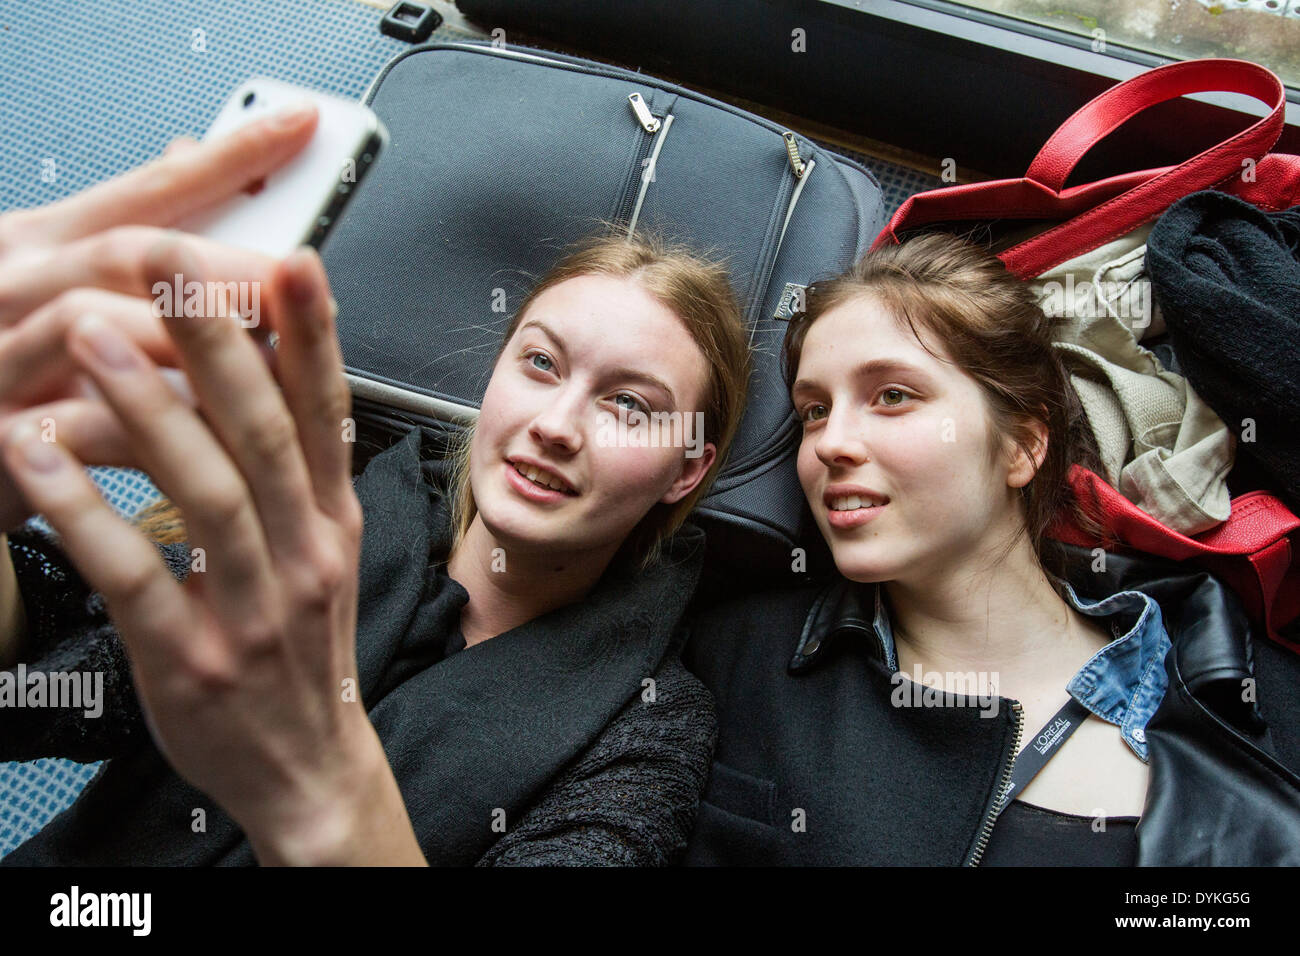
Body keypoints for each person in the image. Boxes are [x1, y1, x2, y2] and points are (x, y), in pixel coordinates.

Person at [0, 104, 751, 865]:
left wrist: (320, 784)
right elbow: (44, 690)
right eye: (540, 364)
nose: (557, 424)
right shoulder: (315, 525)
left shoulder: (651, 729)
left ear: (686, 467)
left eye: (628, 405)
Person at [682, 231, 1300, 866]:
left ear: (1022, 447)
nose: (830, 443)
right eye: (813, 410)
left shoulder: (1243, 688)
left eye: (893, 395)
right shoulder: (729, 657)